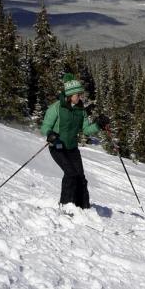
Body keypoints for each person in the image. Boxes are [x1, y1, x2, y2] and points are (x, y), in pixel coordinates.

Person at [41, 73, 109, 209]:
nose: (80, 97)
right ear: (69, 95)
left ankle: (83, 206)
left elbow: (85, 129)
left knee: (80, 177)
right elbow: (45, 127)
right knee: (70, 174)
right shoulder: (56, 108)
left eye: (80, 94)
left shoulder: (80, 110)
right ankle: (65, 205)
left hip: (72, 148)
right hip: (57, 147)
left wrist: (98, 125)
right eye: (78, 94)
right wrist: (50, 135)